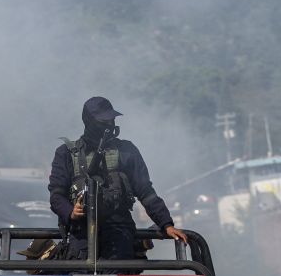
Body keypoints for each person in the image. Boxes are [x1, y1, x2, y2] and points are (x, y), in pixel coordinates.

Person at [49, 96, 187, 261]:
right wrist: (71, 212)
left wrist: (166, 224)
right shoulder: (66, 153)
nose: (109, 125)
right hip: (81, 232)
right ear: (89, 121)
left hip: (119, 229)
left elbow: (146, 191)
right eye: (103, 121)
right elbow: (56, 195)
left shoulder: (126, 150)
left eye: (111, 120)